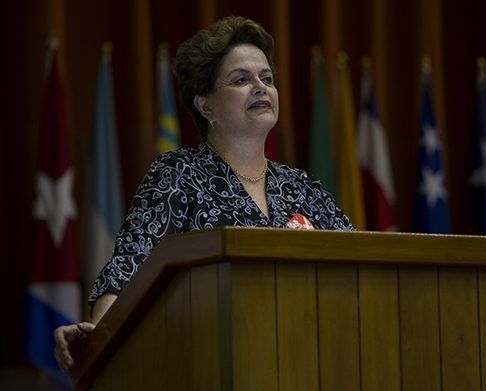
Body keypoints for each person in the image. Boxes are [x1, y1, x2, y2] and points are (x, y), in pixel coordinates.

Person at [53, 15, 354, 372]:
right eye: (241, 80)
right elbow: (125, 273)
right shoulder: (178, 175)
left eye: (267, 78)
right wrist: (99, 338)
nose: (260, 87)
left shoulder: (305, 188)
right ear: (205, 106)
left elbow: (358, 268)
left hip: (313, 362)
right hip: (211, 364)